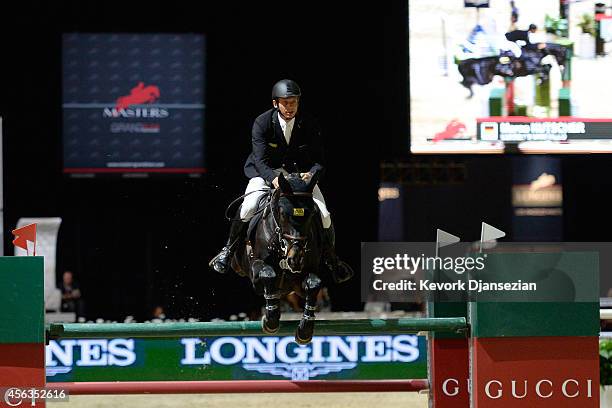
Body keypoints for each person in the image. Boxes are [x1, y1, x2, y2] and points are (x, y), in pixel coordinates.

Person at [209, 79, 352, 283]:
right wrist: (273, 178)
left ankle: (332, 259)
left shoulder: (309, 123)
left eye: (293, 102)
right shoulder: (263, 122)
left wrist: (311, 175)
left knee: (325, 214)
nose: (290, 107)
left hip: (299, 179)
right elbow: (259, 160)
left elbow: (319, 161)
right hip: (265, 174)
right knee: (248, 206)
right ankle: (228, 251)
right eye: (286, 103)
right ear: (276, 103)